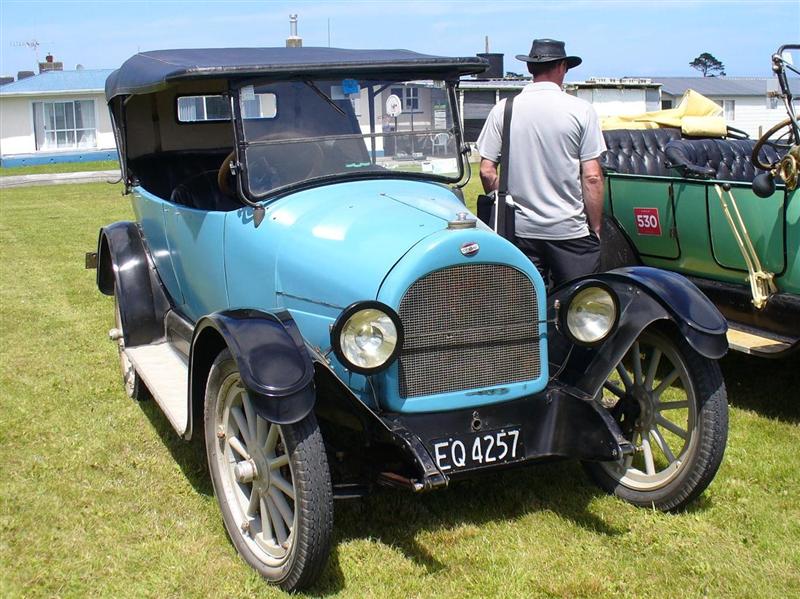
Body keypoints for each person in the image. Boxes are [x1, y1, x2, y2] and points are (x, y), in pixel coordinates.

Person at [477, 38, 606, 287]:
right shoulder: (581, 110)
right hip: (570, 231)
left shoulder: (504, 109)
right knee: (578, 307)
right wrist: (596, 227)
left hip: (519, 231)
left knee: (524, 306)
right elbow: (591, 177)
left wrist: (504, 205)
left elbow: (486, 171)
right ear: (561, 67)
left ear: (529, 69)